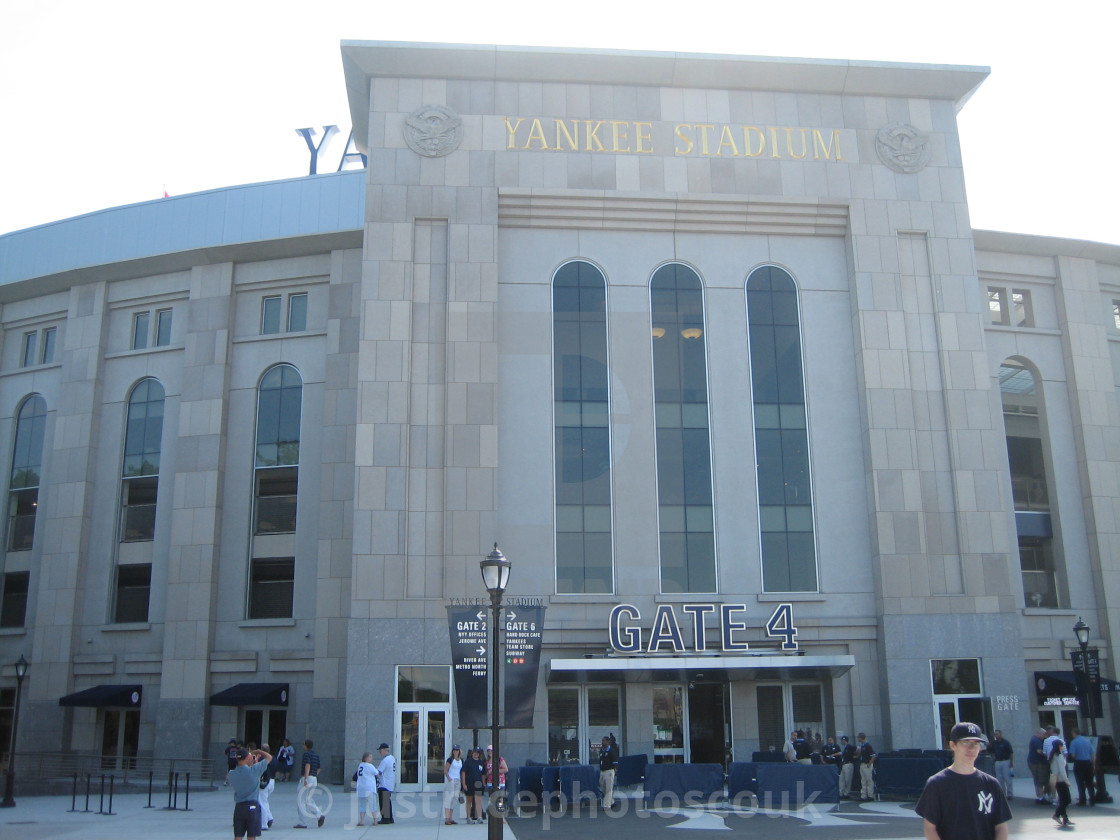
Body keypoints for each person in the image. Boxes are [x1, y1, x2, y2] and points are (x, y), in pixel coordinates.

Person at [915, 722, 1011, 840]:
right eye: (965, 742)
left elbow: (1001, 826)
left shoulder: (991, 784)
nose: (971, 749)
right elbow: (930, 827)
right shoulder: (937, 783)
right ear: (952, 745)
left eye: (975, 743)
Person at [230, 745, 273, 840]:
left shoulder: (231, 774)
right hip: (252, 806)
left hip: (239, 807)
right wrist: (258, 751)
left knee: (238, 835)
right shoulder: (254, 770)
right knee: (251, 836)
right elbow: (269, 757)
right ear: (249, 757)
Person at [295, 738, 324, 829]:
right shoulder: (316, 755)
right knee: (308, 800)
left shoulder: (306, 754)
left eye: (303, 744)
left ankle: (302, 822)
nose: (303, 746)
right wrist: (313, 776)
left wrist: (306, 779)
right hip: (314, 778)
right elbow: (319, 768)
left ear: (306, 746)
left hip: (307, 778)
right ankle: (319, 814)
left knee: (301, 800)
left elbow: (307, 765)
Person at [1066, 727, 1096, 805]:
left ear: (1074, 733)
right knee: (1089, 782)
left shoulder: (1074, 742)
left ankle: (1082, 800)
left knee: (1080, 782)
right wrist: (1093, 764)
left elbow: (1073, 755)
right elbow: (1092, 754)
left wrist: (1073, 757)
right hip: (1088, 763)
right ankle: (1092, 799)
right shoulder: (1087, 741)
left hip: (1079, 763)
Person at [1050, 737, 1073, 826]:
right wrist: (1067, 781)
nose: (1063, 747)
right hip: (1061, 780)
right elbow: (1062, 771)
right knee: (1067, 799)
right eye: (1062, 746)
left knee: (1063, 799)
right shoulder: (1058, 756)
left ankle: (1065, 818)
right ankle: (1056, 814)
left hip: (1055, 779)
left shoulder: (1053, 755)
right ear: (1059, 746)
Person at [1027, 727, 1050, 804]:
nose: (1045, 736)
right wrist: (1049, 755)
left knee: (1037, 780)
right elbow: (1039, 751)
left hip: (1035, 762)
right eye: (1044, 734)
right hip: (1036, 763)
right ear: (1039, 734)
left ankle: (1040, 797)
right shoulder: (1036, 740)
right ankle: (1041, 797)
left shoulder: (1035, 739)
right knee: (1039, 780)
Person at [989, 729, 1013, 801]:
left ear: (1001, 734)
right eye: (995, 734)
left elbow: (1011, 753)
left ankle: (1010, 794)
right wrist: (994, 758)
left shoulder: (1006, 743)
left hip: (1005, 761)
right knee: (999, 779)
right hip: (998, 762)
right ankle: (1002, 794)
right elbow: (992, 751)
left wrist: (1011, 762)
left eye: (997, 734)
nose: (996, 736)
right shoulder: (994, 743)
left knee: (1007, 778)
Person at [485, 743, 508, 819]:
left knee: (500, 799)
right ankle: (493, 815)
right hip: (490, 782)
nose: (490, 752)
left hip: (500, 782)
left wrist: (494, 770)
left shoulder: (499, 759)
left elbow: (505, 769)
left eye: (491, 751)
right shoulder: (487, 761)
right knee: (492, 799)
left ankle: (501, 816)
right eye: (489, 751)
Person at [355, 751, 379, 826]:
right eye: (370, 757)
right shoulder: (369, 766)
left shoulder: (360, 765)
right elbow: (377, 773)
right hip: (369, 787)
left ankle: (362, 821)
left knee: (362, 805)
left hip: (361, 788)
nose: (372, 759)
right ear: (366, 758)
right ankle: (375, 820)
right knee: (373, 805)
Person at [257, 742, 277, 831]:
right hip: (272, 781)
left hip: (265, 781)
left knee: (262, 802)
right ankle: (269, 817)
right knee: (264, 800)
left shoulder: (262, 759)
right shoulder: (274, 759)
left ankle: (264, 824)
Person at [376, 742, 396, 824]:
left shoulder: (385, 760)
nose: (380, 753)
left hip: (384, 784)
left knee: (383, 802)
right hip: (390, 783)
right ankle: (390, 818)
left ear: (384, 750)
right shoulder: (392, 758)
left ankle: (385, 819)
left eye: (380, 751)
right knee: (387, 801)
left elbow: (379, 772)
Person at [443, 745, 464, 825]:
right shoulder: (450, 759)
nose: (456, 751)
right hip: (451, 781)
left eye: (457, 750)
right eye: (454, 750)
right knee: (448, 799)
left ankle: (451, 818)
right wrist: (449, 778)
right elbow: (445, 770)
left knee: (454, 799)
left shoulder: (461, 760)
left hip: (458, 781)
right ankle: (447, 818)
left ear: (459, 751)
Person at [1094, 734, 1117, 804]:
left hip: (1100, 765)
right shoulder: (1110, 747)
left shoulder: (1100, 747)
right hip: (1105, 764)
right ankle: (1102, 793)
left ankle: (1100, 793)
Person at [598, 735, 618, 809]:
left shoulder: (611, 751)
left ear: (607, 742)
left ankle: (606, 805)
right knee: (603, 788)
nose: (602, 742)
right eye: (602, 741)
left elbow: (615, 762)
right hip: (602, 771)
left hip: (609, 771)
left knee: (609, 789)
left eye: (604, 741)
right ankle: (612, 802)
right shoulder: (601, 750)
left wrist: (614, 771)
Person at [856, 732, 877, 801]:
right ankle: (863, 795)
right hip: (862, 764)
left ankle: (870, 795)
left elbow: (874, 756)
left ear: (861, 738)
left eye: (858, 737)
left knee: (869, 780)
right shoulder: (862, 746)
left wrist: (869, 763)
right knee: (863, 780)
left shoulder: (868, 746)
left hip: (867, 764)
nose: (858, 739)